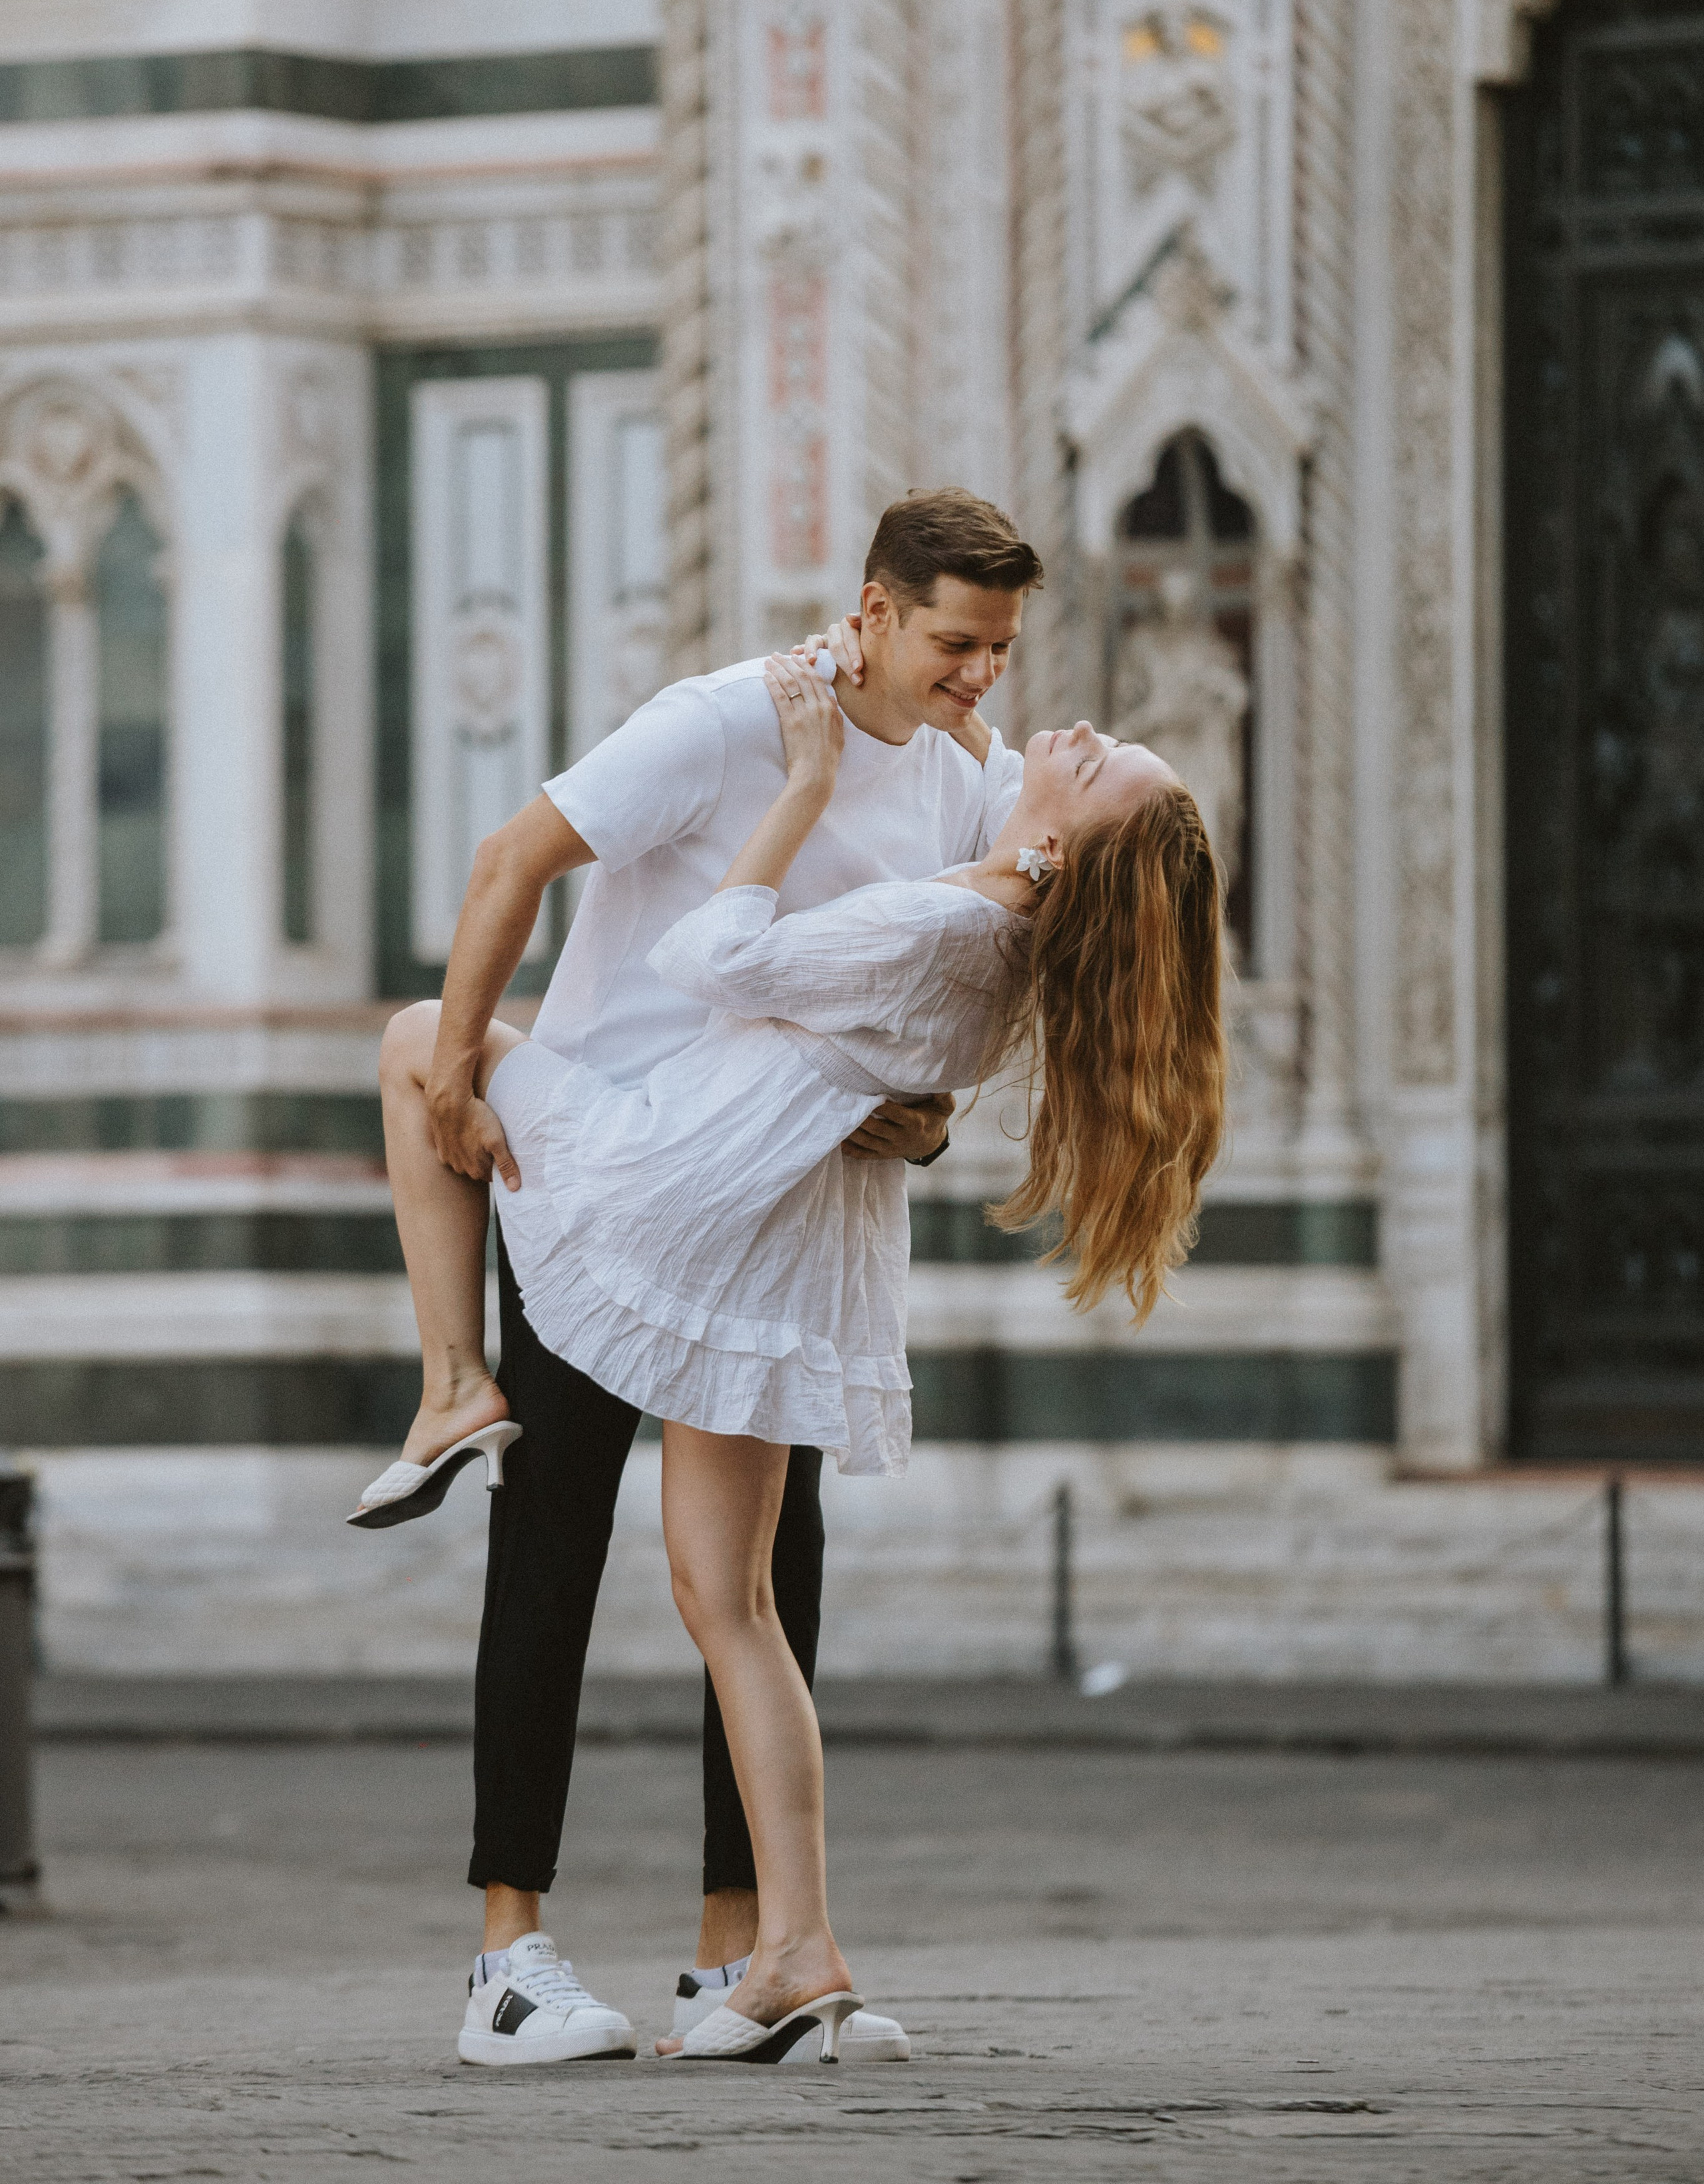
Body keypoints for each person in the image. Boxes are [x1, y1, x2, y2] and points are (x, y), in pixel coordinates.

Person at [371, 655, 1226, 2060]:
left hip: (656, 1192)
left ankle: (448, 1383)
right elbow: (917, 1058)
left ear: (1063, 837)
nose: (1049, 717)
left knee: (414, 1046)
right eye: (974, 652)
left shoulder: (950, 845)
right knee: (723, 1598)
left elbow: (713, 960)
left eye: (1095, 754)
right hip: (786, 1244)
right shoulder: (970, 876)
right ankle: (772, 1952)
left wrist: (810, 784)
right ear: (889, 615)